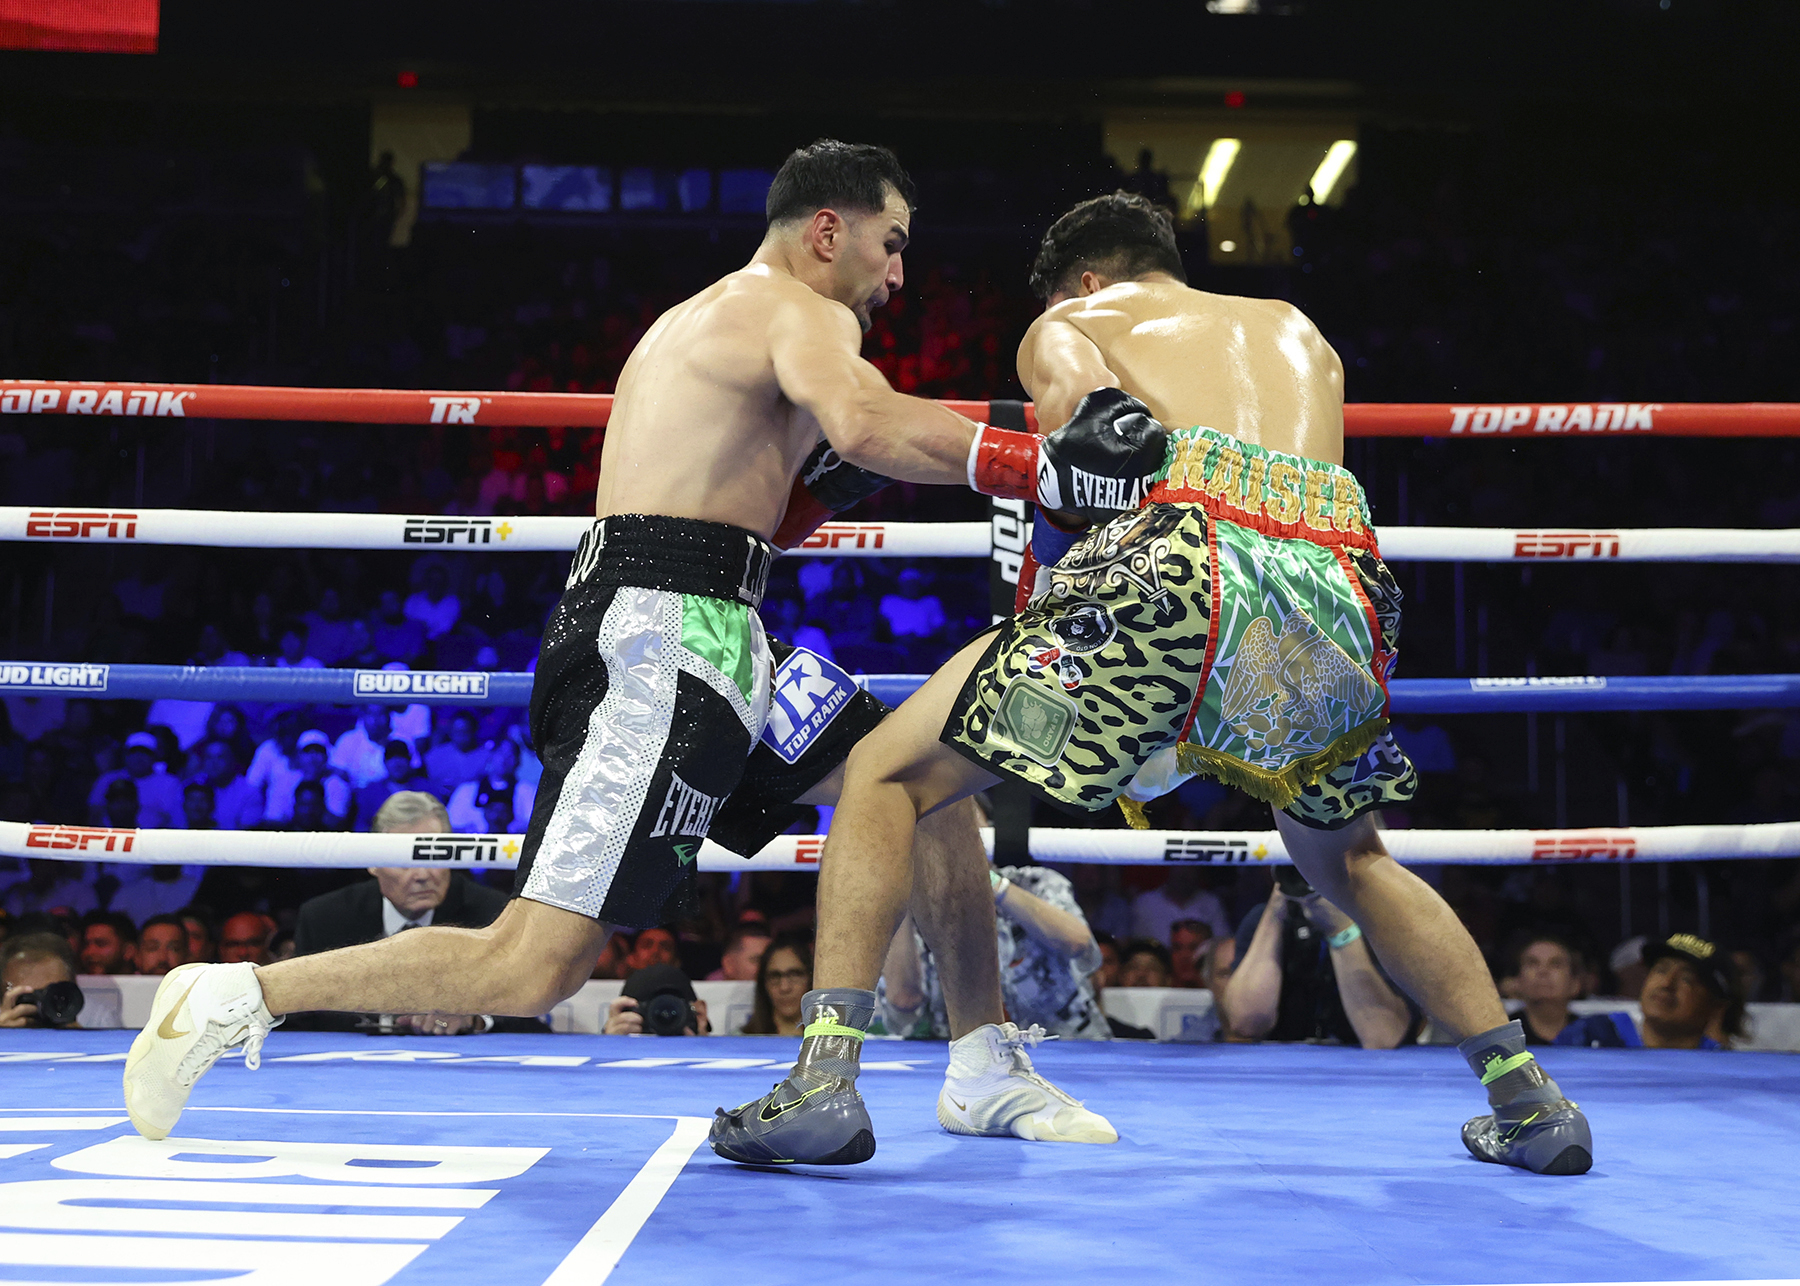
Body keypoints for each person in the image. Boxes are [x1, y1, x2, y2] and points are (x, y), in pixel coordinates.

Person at [122, 139, 1154, 1155]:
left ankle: (981, 1063)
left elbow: (765, 519)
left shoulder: (713, 321)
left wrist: (830, 486)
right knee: (534, 966)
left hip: (718, 623)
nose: (896, 275)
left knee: (923, 782)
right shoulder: (795, 309)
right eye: (890, 243)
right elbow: (865, 420)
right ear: (825, 231)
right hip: (661, 641)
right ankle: (239, 993)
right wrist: (1040, 465)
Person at [729, 191, 1591, 1174]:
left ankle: (824, 1079)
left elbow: (1096, 440)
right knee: (1352, 859)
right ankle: (1529, 1099)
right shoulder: (1300, 334)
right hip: (1334, 595)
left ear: (1086, 280)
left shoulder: (1074, 321)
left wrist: (1052, 557)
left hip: (1171, 570)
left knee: (887, 771)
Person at [290, 792, 517, 1035]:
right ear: (373, 863)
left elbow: (526, 1009)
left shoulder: (493, 915)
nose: (422, 875)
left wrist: (476, 1019)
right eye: (405, 860)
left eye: (433, 857)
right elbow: (302, 1018)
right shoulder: (324, 919)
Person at [879, 863, 1109, 1041]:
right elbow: (904, 1000)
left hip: (1068, 1047)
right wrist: (902, 897)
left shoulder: (1034, 882)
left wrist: (987, 880)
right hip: (966, 1065)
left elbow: (1079, 944)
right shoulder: (911, 906)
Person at [1221, 872, 1414, 1049]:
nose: (1312, 873)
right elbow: (1246, 1023)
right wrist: (1275, 913)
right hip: (1283, 1068)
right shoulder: (1263, 920)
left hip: (1369, 1070)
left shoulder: (1382, 923)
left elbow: (1383, 1036)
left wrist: (1341, 932)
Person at [1563, 933, 1745, 1050]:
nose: (1666, 983)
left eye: (1686, 979)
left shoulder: (1726, 1071)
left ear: (1716, 1005)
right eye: (1661, 970)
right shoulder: (1589, 1036)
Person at [87, 731, 182, 829]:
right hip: (111, 835)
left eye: (145, 753)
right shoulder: (107, 779)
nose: (139, 757)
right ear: (125, 754)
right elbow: (94, 814)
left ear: (155, 756)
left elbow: (176, 820)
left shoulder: (170, 783)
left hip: (153, 836)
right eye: (134, 752)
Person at [1, 932, 80, 1028]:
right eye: (27, 998)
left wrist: (76, 1034)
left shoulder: (87, 1037)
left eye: (53, 997)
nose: (41, 1007)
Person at [740, 932, 813, 1036]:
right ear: (763, 984)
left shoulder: (831, 1041)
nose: (784, 987)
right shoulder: (739, 1040)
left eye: (794, 975)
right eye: (774, 976)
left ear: (810, 979)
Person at [79, 910, 138, 976]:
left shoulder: (145, 982)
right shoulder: (75, 981)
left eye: (101, 944)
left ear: (128, 951)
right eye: (85, 945)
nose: (89, 952)